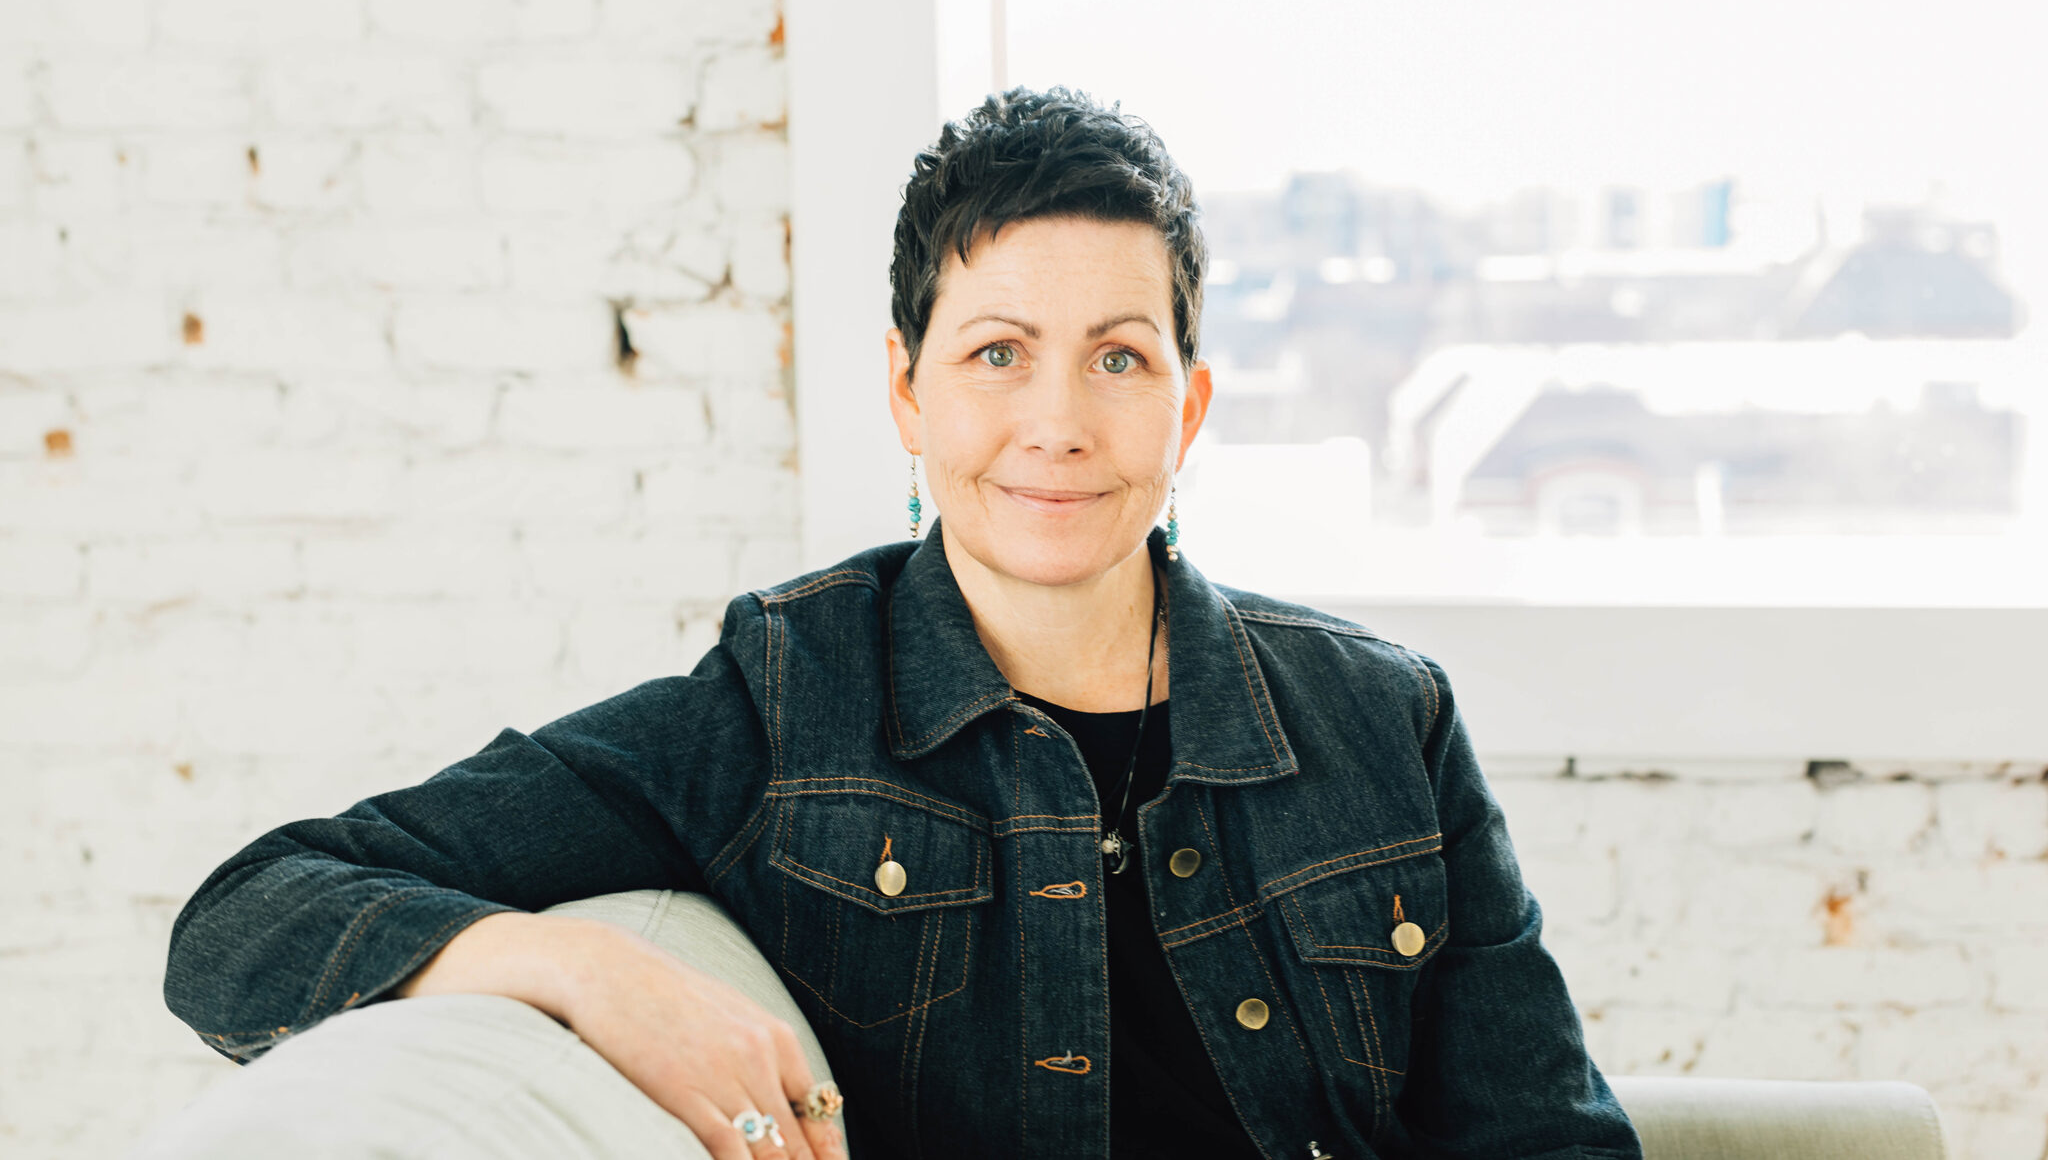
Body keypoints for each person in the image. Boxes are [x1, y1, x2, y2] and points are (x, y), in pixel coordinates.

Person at [163, 87, 1641, 1160]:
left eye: (1118, 357)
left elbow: (1549, 1138)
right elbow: (249, 916)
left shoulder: (1385, 723)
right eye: (998, 352)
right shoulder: (785, 704)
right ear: (908, 392)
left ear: (1186, 407)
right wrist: (585, 972)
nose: (1057, 422)